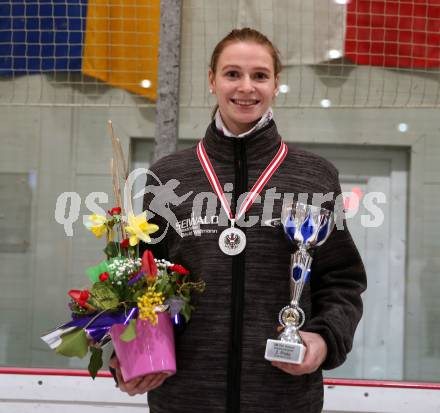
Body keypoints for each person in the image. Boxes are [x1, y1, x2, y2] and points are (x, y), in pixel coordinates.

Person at [110, 27, 367, 413]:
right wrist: (125, 359)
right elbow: (134, 278)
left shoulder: (314, 176)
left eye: (260, 75)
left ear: (276, 84)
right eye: (232, 74)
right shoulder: (169, 176)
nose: (246, 87)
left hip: (282, 397)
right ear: (212, 80)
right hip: (185, 397)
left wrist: (323, 339)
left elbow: (342, 280)